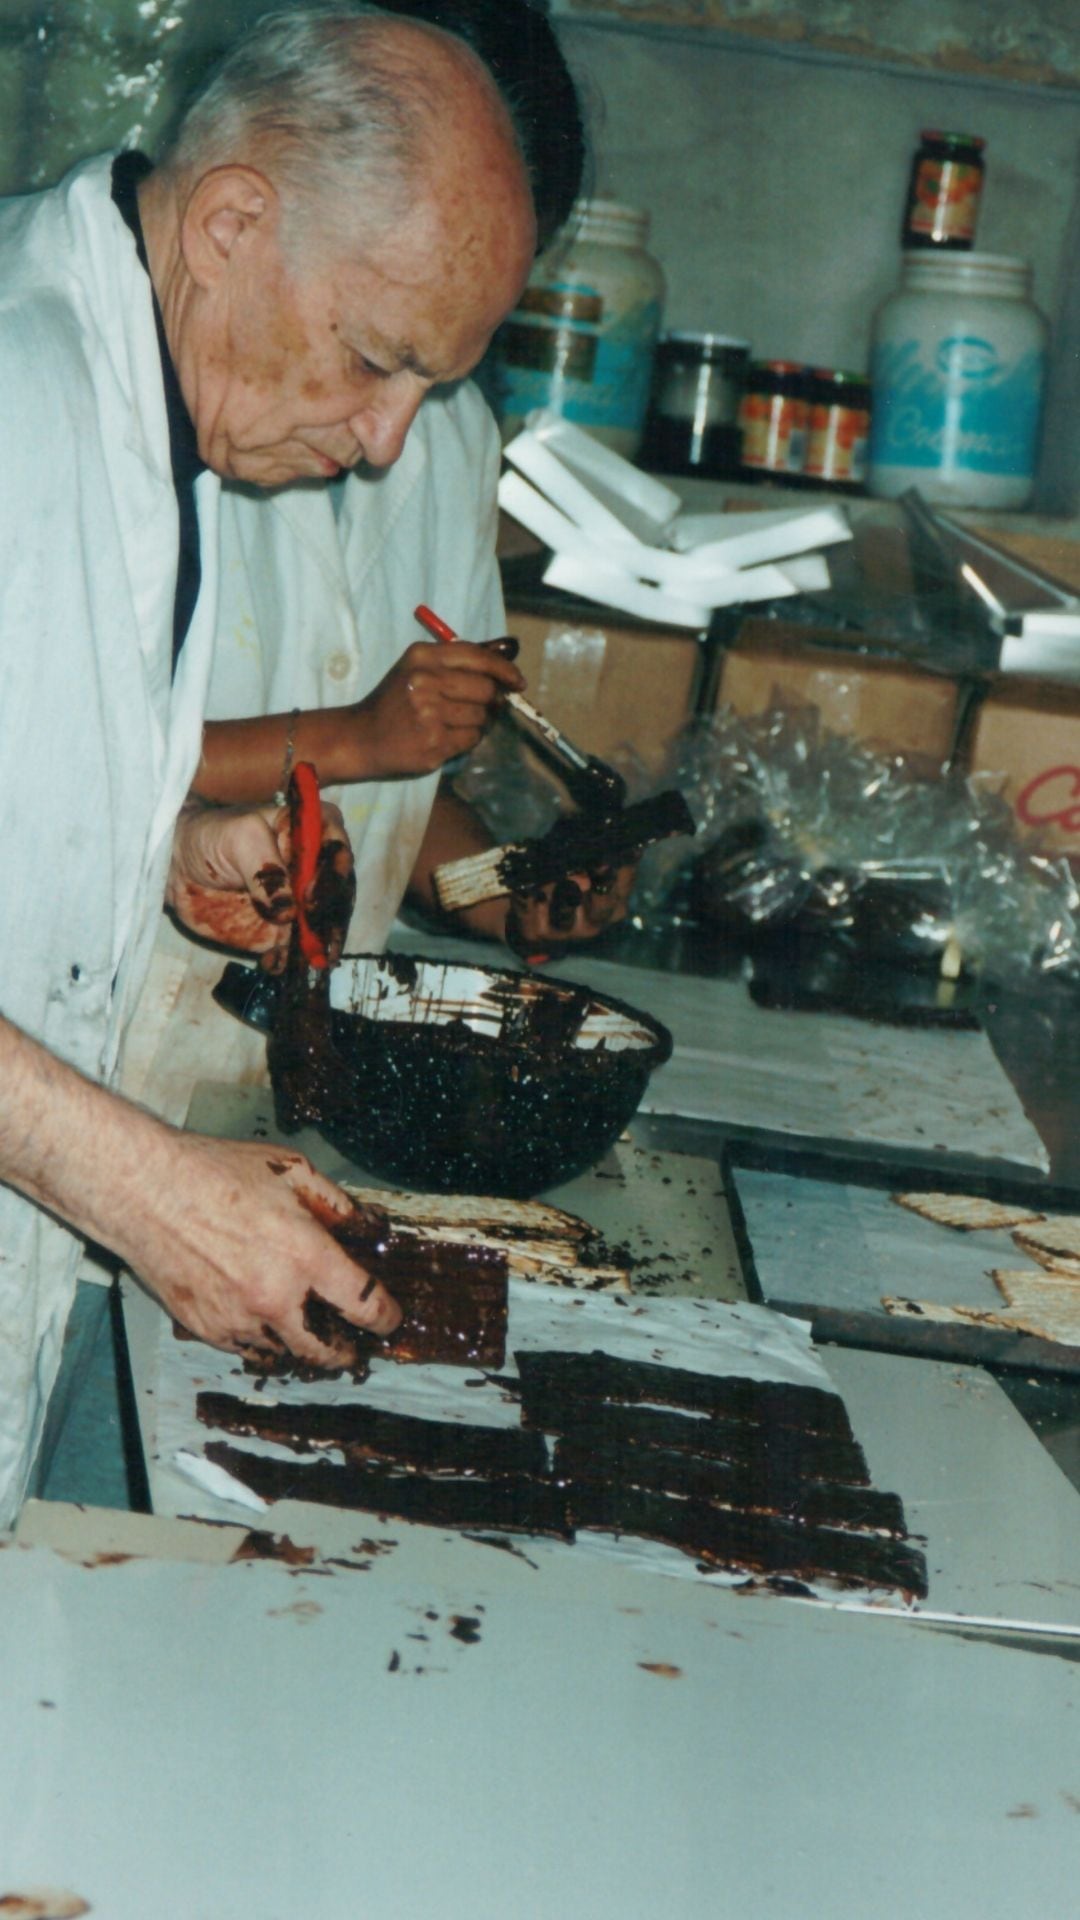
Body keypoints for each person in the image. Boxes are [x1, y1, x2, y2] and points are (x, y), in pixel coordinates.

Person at [0, 5, 546, 1527]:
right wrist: (138, 1182)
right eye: (375, 361)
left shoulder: (148, 404)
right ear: (234, 219)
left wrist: (157, 840)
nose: (387, 445)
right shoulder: (12, 392)